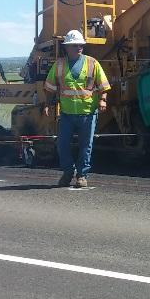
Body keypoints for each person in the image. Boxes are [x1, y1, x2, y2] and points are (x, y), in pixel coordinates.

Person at [43, 29, 112, 188]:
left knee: (85, 146)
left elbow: (103, 86)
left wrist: (102, 100)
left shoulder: (92, 63)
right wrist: (47, 104)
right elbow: (50, 87)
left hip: (88, 113)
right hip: (67, 114)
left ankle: (81, 175)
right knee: (62, 144)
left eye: (80, 45)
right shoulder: (59, 65)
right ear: (67, 47)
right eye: (75, 45)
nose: (79, 47)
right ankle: (68, 171)